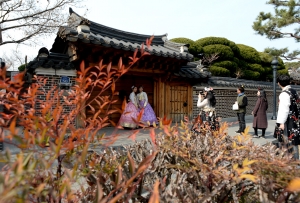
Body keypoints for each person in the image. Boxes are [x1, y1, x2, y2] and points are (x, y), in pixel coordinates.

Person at [275, 75, 300, 159]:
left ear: (279, 83)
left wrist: (281, 123)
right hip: (294, 119)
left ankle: (289, 161)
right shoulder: (293, 91)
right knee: (293, 142)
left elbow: (284, 110)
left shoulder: (284, 94)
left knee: (285, 142)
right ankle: (296, 161)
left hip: (287, 121)